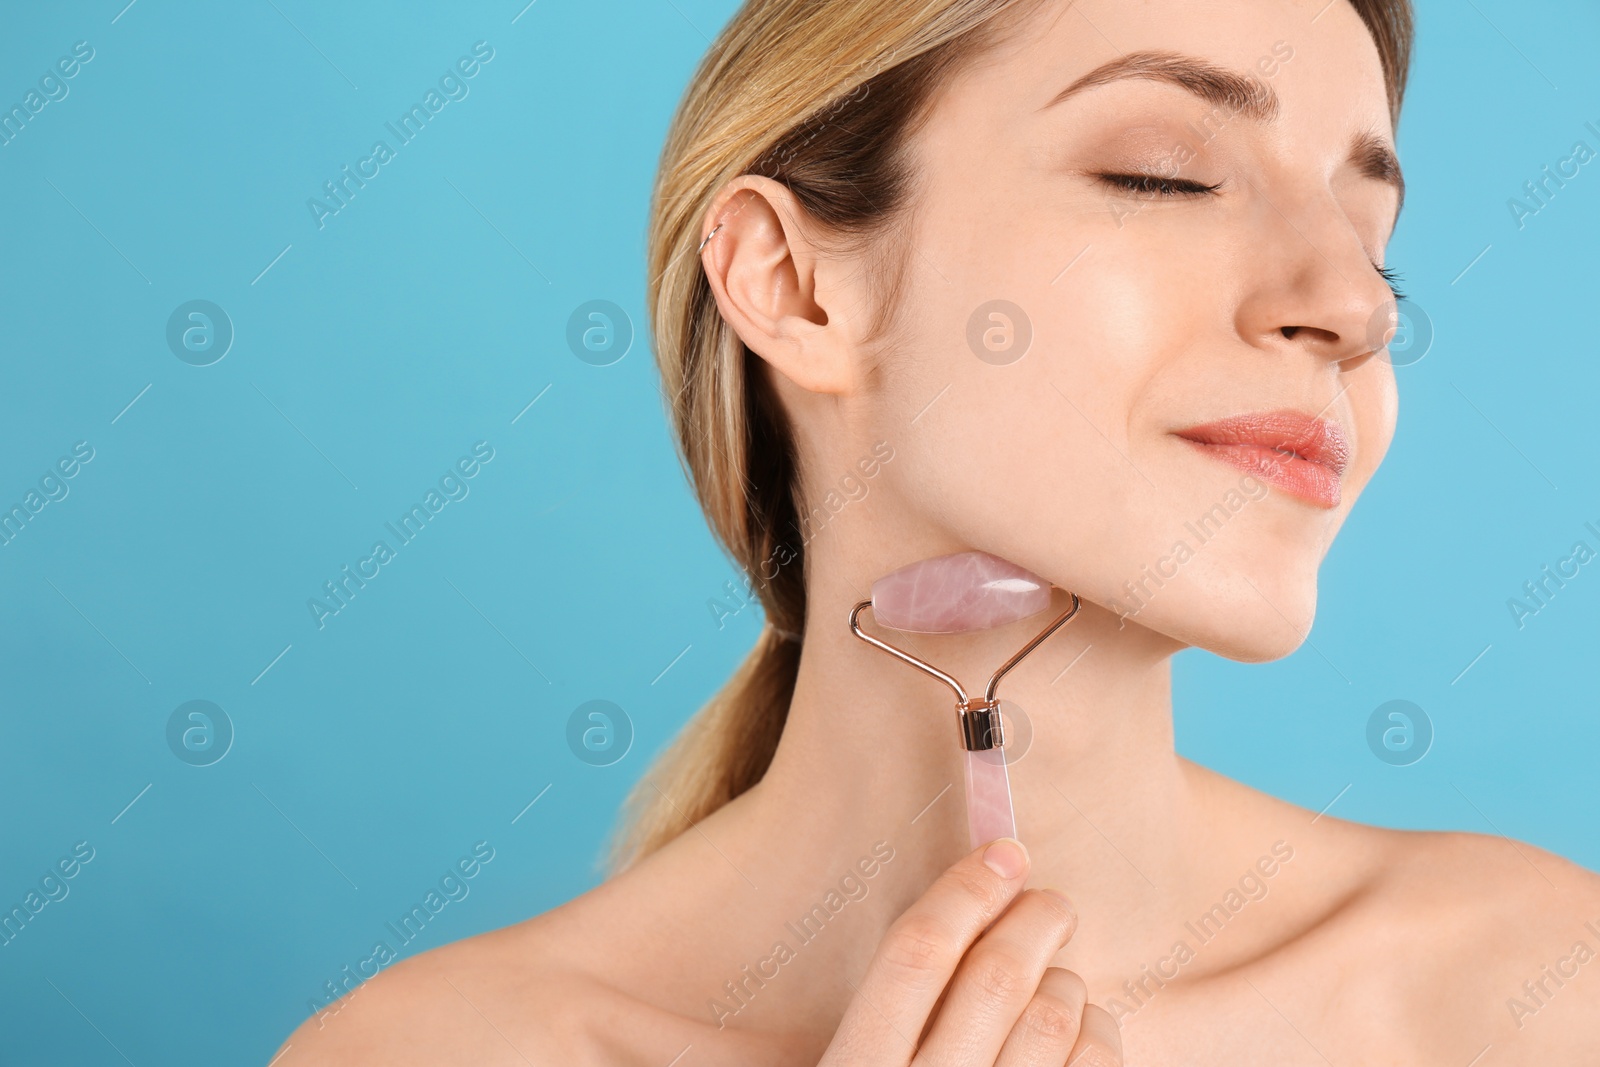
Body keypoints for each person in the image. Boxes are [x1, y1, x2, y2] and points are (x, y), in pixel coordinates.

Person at [273, 0, 1600, 1062]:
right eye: (1165, 174)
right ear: (795, 287)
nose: (1356, 310)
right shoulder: (428, 1051)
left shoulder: (1535, 995)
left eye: (1377, 245)